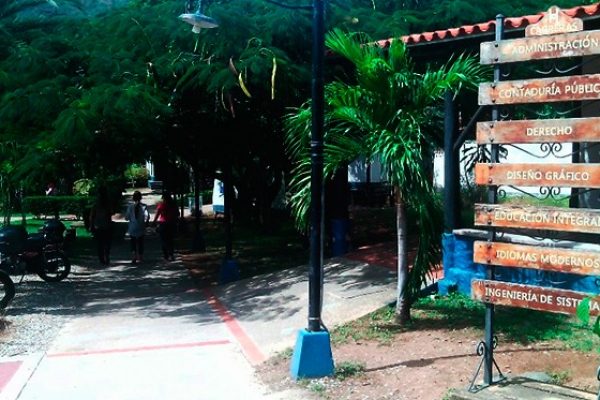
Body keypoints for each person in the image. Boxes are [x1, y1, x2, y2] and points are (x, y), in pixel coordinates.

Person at [152, 191, 179, 261]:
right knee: (170, 240)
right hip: (171, 223)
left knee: (163, 240)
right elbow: (177, 214)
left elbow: (157, 214)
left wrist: (154, 222)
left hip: (163, 224)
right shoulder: (174, 205)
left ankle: (166, 255)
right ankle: (171, 254)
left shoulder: (161, 205)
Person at [89, 187, 113, 265]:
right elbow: (111, 212)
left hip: (98, 225)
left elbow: (92, 215)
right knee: (107, 242)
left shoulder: (96, 203)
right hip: (107, 225)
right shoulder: (108, 202)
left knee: (100, 243)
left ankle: (101, 259)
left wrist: (91, 225)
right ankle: (107, 255)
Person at [125, 191, 149, 264]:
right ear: (141, 197)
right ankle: (140, 257)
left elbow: (126, 218)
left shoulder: (130, 207)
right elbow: (147, 216)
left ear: (133, 198)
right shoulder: (144, 206)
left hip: (132, 227)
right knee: (141, 242)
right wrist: (146, 223)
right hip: (141, 226)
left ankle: (134, 257)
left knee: (133, 242)